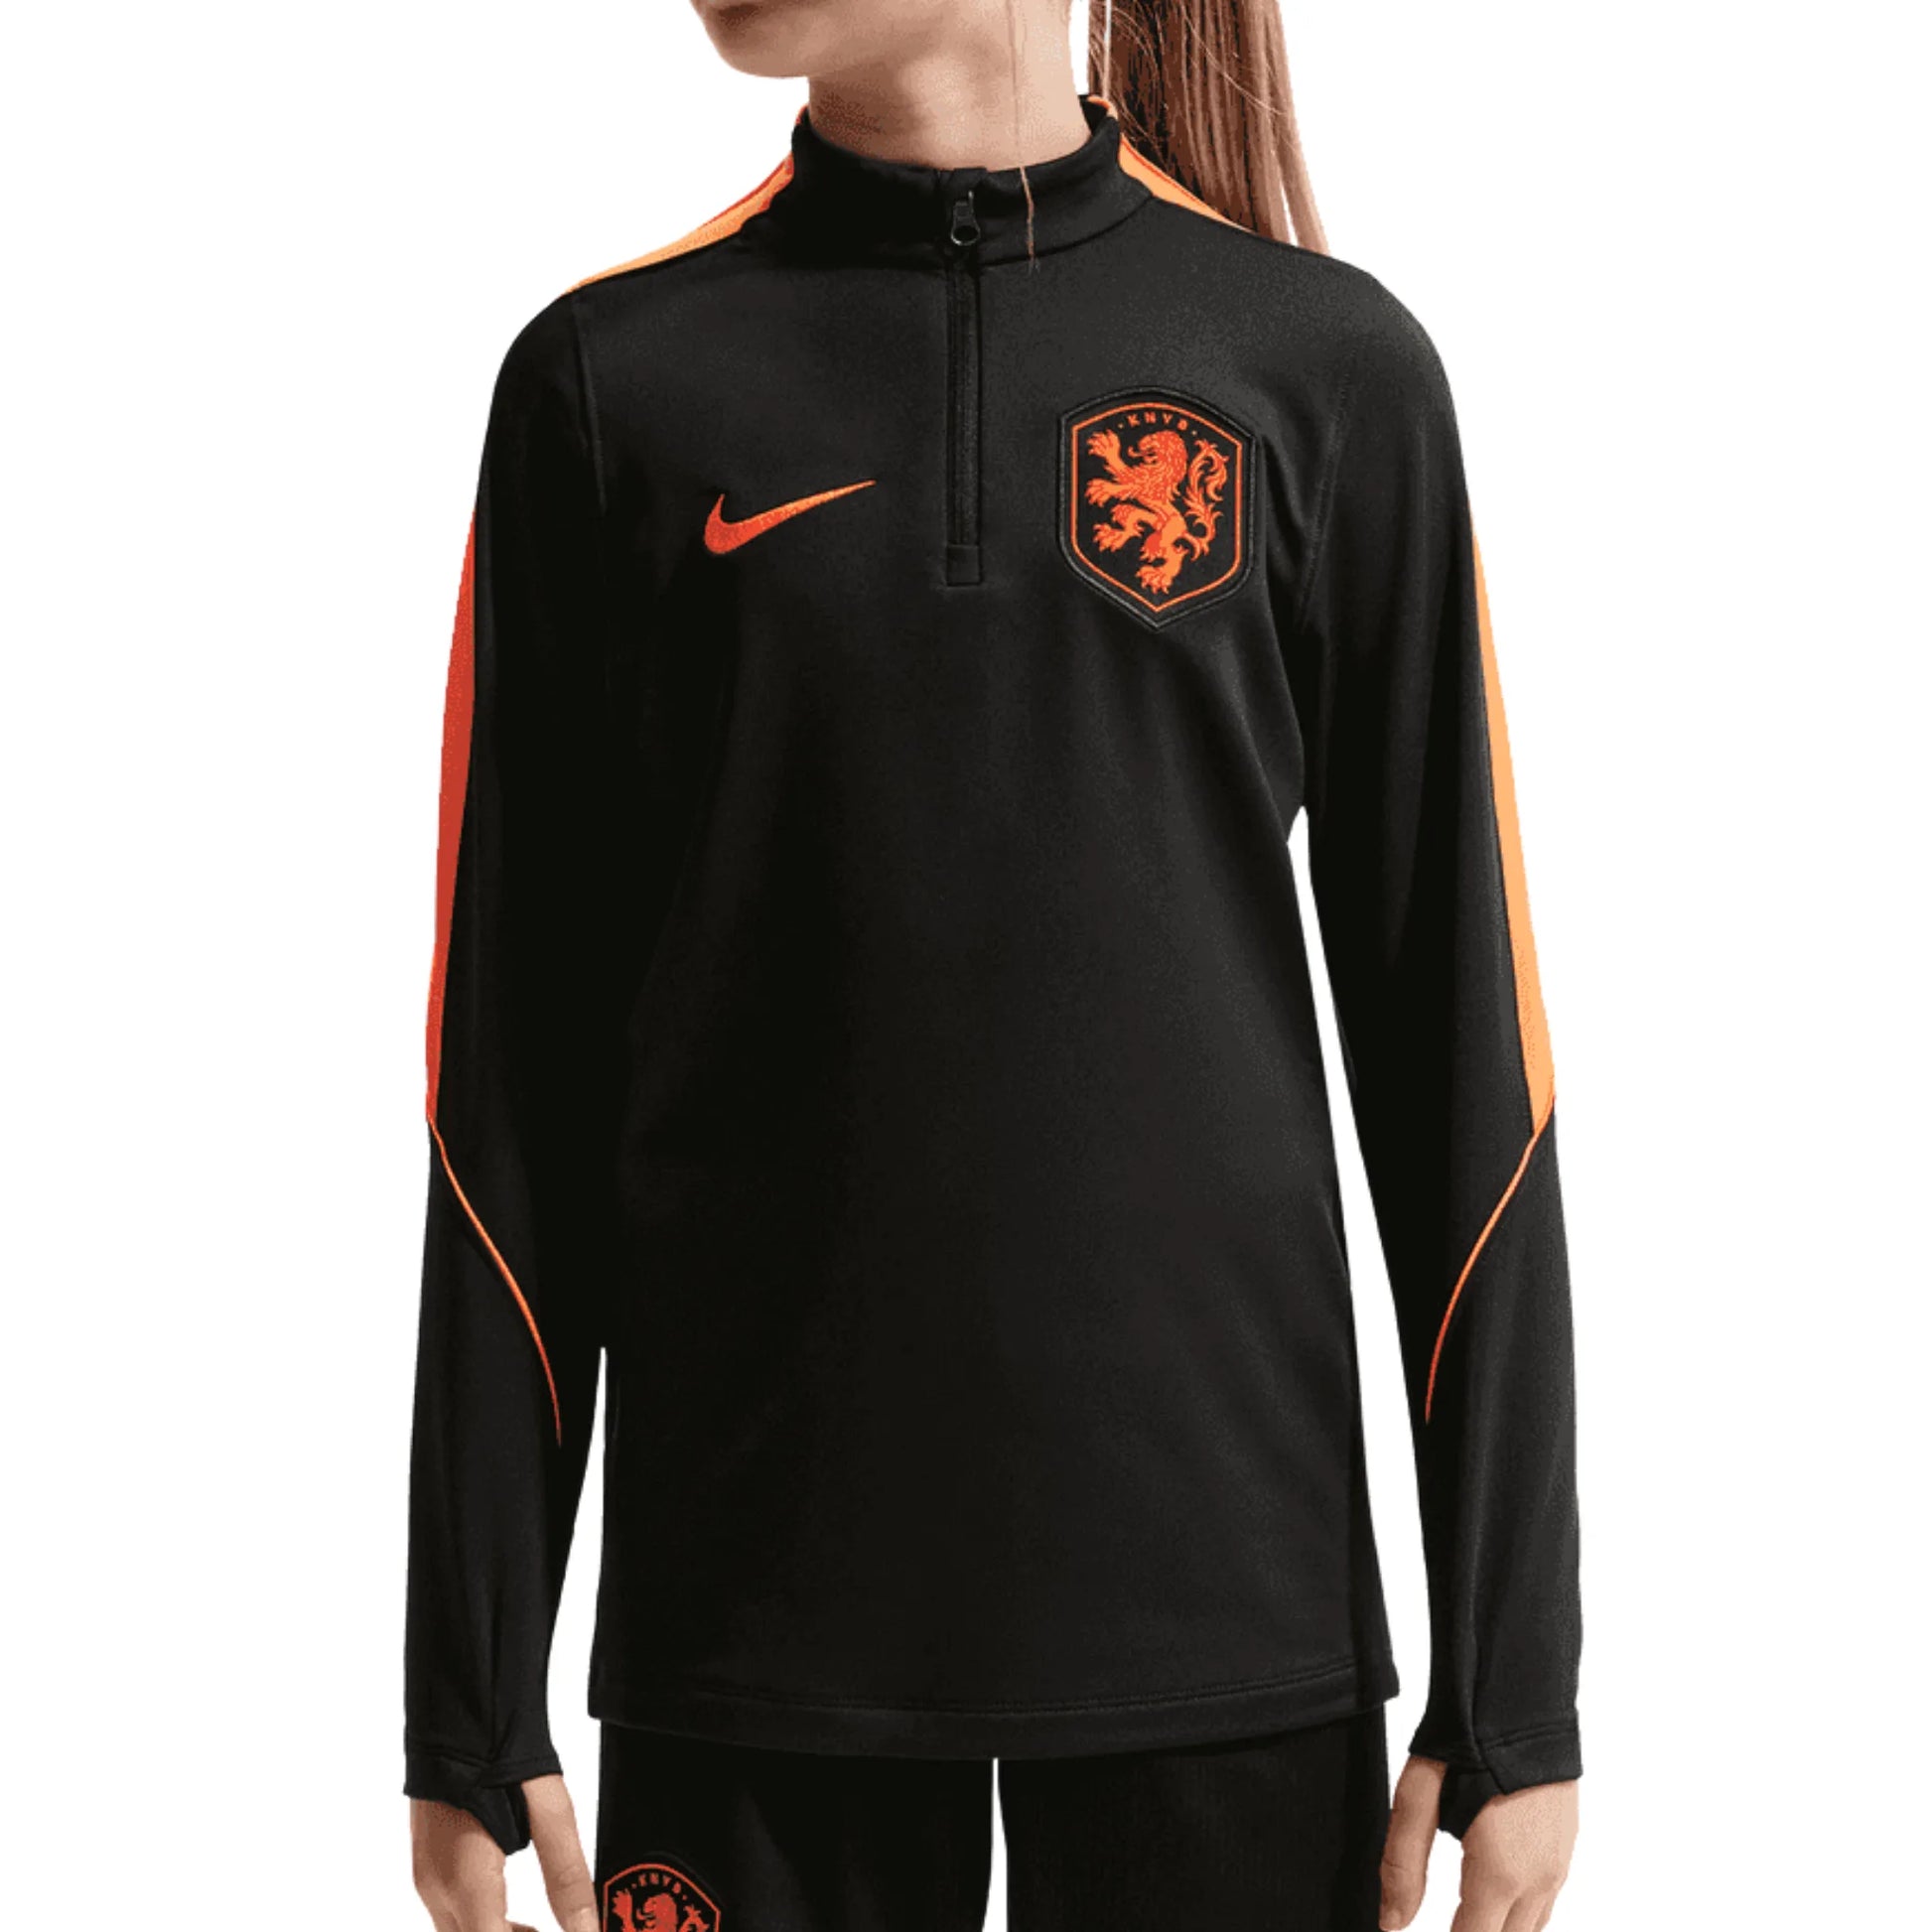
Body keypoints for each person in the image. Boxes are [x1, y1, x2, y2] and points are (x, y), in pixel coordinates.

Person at [404, 1, 1584, 1927]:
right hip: (751, 1648)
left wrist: (1513, 1682)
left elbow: (1460, 1051)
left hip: (1222, 1640)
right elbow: (509, 1078)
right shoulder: (609, 387)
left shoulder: (1324, 370)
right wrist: (466, 1687)